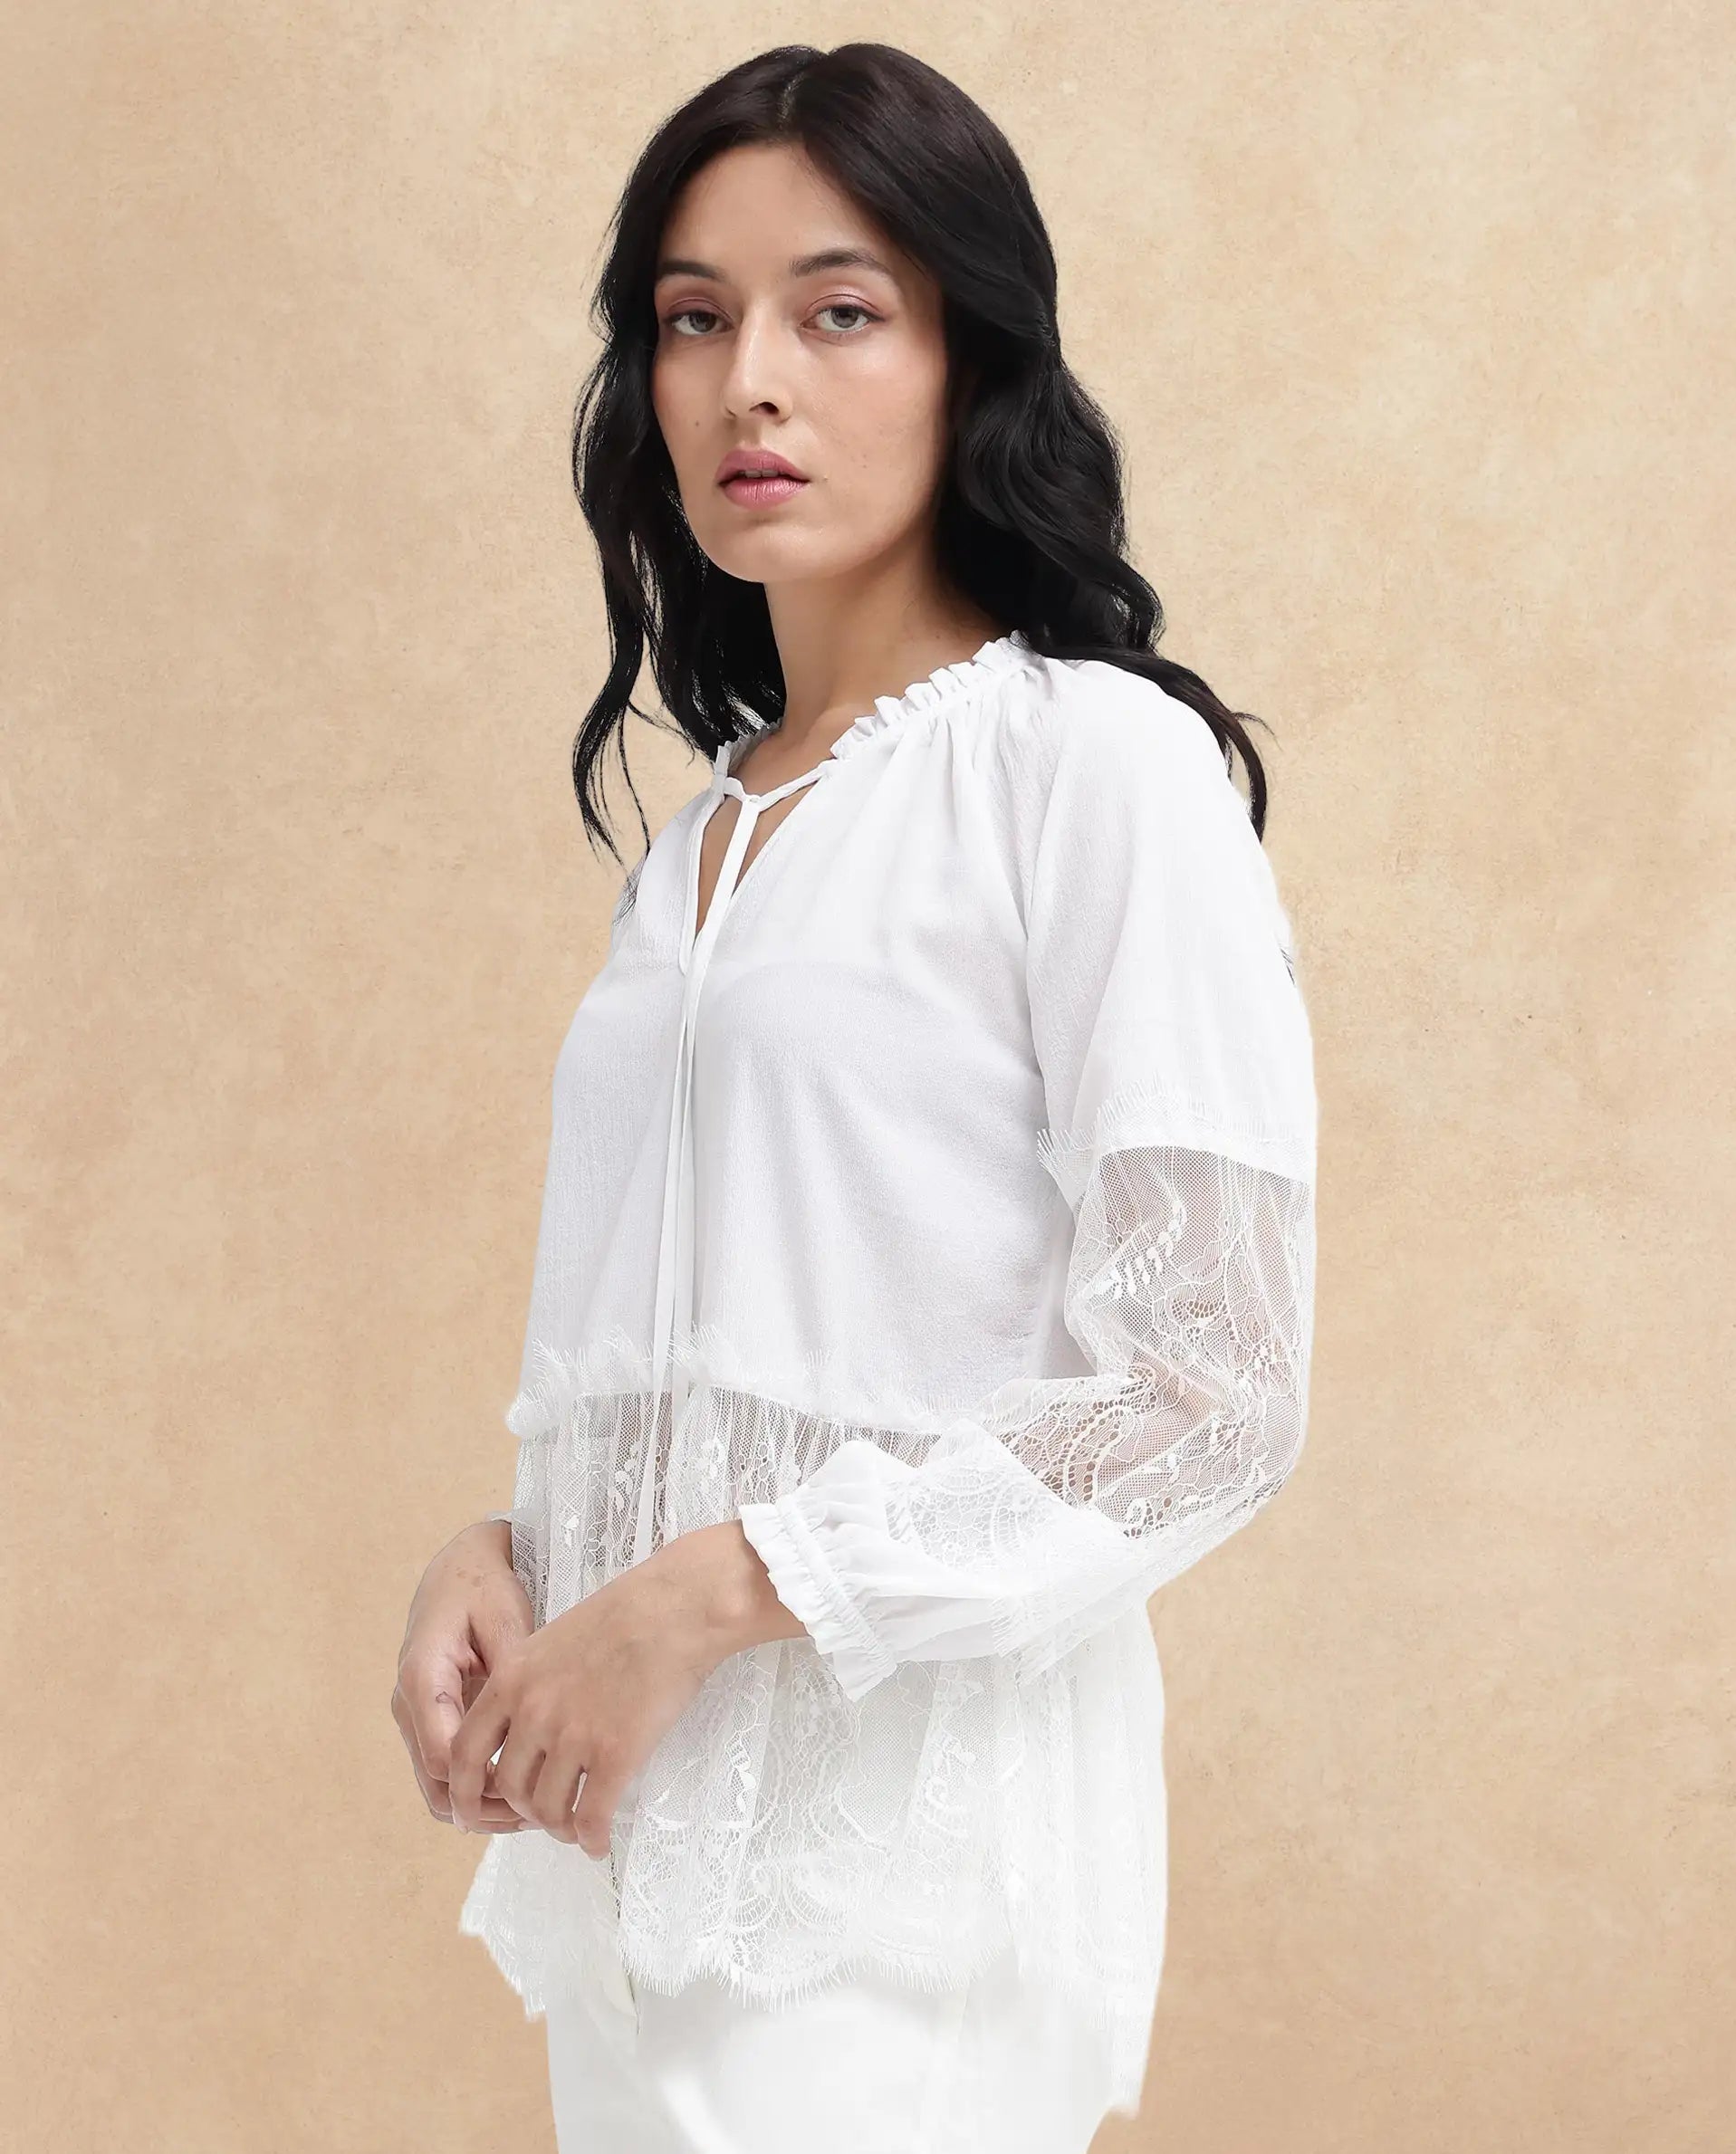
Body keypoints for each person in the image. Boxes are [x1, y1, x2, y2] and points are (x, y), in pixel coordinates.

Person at [390, 41, 1318, 2154]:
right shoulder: (699, 848)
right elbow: (747, 1329)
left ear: (968, 351)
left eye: (838, 310)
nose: (750, 385)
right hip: (639, 1867)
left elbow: (1213, 1385)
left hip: (905, 1876)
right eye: (692, 318)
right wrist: (513, 1549)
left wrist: (710, 1591)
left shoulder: (1089, 764)